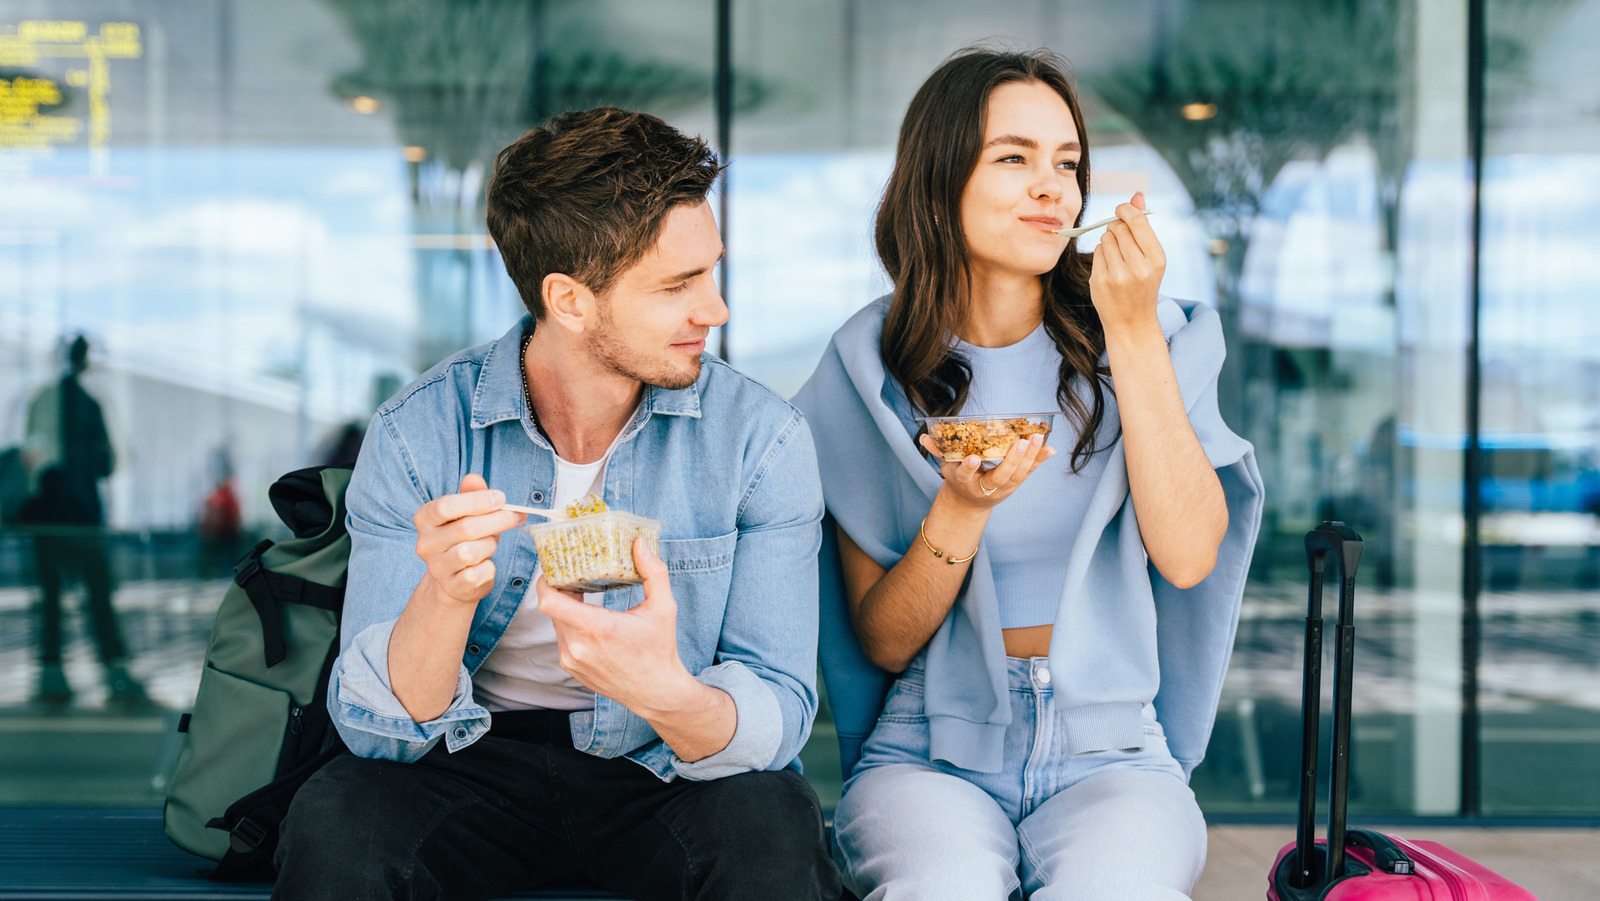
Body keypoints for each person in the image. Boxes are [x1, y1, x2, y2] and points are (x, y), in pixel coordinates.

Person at [273, 107, 841, 901]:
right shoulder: (419, 433)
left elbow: (779, 707)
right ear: (569, 300)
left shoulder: (761, 440)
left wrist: (663, 689)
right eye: (678, 285)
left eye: (710, 272)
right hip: (466, 762)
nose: (715, 310)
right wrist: (444, 596)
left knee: (773, 828)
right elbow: (376, 731)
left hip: (667, 762)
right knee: (338, 821)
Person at [793, 48, 1264, 900]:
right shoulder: (866, 369)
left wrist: (1132, 334)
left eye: (1068, 163)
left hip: (1114, 747)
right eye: (1013, 158)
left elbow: (1191, 555)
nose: (1054, 187)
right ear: (938, 182)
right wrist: (960, 509)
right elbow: (884, 641)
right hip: (927, 750)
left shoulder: (1157, 335)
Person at [20, 334, 149, 708]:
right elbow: (108, 462)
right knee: (96, 595)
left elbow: (33, 454)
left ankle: (53, 671)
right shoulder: (90, 404)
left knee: (53, 597)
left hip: (49, 512)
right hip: (81, 514)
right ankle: (111, 669)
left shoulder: (43, 400)